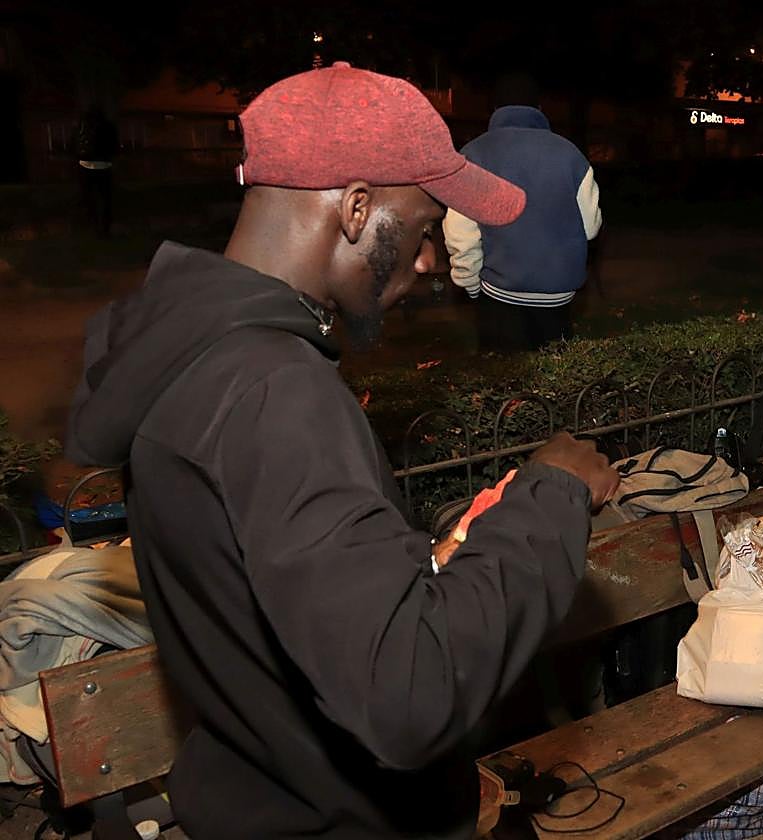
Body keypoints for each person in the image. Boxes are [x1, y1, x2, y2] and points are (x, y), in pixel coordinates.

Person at [64, 62, 619, 839]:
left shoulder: (192, 358)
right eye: (424, 228)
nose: (429, 264)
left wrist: (435, 552)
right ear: (356, 208)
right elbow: (409, 696)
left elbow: (282, 602)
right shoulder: (274, 395)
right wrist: (551, 496)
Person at [443, 74, 602, 352]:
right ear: (539, 109)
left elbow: (461, 235)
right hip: (558, 295)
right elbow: (589, 227)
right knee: (555, 383)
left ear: (494, 110)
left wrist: (469, 284)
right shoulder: (571, 154)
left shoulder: (474, 154)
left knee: (505, 384)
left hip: (500, 294)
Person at [74, 106, 118, 236]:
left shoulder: (83, 126)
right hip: (103, 166)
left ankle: (94, 225)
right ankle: (104, 227)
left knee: (90, 198)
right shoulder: (108, 127)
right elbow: (114, 146)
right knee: (105, 199)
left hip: (86, 166)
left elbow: (76, 145)